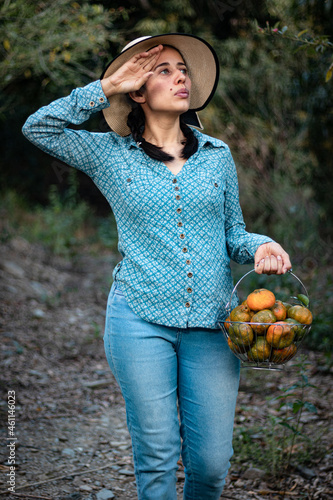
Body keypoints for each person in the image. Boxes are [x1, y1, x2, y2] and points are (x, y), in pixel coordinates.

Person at [22, 33, 291, 500]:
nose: (180, 76)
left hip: (213, 324)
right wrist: (105, 87)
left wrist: (263, 244)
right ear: (139, 92)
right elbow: (38, 127)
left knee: (210, 465)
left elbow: (234, 235)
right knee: (159, 456)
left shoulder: (217, 156)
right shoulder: (109, 154)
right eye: (163, 70)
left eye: (183, 69)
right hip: (138, 318)